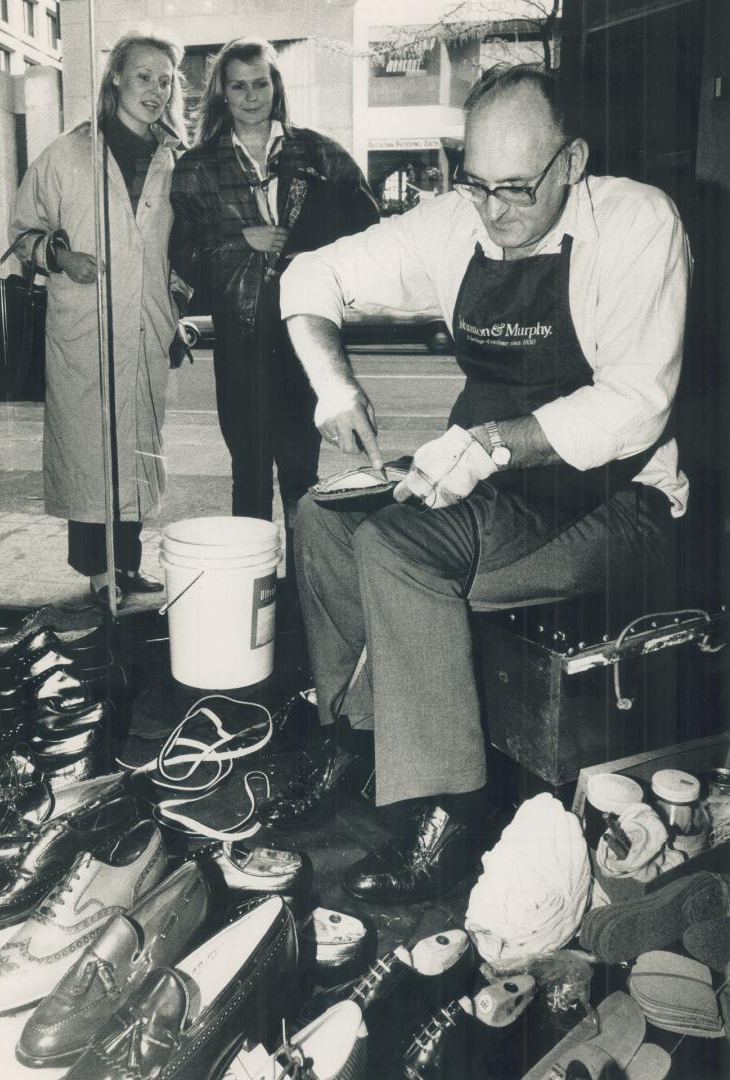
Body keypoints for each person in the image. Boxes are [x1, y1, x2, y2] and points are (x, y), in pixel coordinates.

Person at [273, 64, 691, 903]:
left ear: (569, 162)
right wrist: (335, 383)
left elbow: (634, 407)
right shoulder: (454, 223)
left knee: (394, 554)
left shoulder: (639, 223)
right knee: (322, 514)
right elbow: (308, 278)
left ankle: (448, 815)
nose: (493, 213)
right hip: (491, 474)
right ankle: (355, 737)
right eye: (475, 185)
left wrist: (495, 444)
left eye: (514, 189)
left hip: (615, 496)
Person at [170, 37, 378, 564]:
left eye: (260, 82)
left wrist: (313, 255)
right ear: (222, 92)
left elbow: (367, 231)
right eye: (238, 85)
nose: (250, 95)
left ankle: (303, 594)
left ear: (275, 85)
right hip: (240, 345)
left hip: (301, 336)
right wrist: (242, 239)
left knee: (302, 474)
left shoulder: (320, 153)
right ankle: (254, 589)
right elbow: (181, 256)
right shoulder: (197, 167)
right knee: (248, 476)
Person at [10, 29, 190, 607]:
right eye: (144, 77)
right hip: (84, 327)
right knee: (90, 453)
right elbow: (23, 233)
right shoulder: (68, 153)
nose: (156, 91)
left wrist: (176, 309)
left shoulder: (174, 160)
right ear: (115, 77)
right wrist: (61, 257)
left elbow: (184, 250)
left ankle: (127, 566)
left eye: (165, 81)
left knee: (136, 446)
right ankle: (96, 571)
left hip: (145, 328)